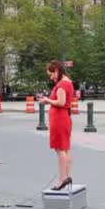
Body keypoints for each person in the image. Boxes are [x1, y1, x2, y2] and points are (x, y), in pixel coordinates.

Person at [40, 61, 75, 191]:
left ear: (56, 71)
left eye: (51, 74)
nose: (51, 78)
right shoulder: (69, 82)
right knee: (65, 148)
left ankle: (62, 179)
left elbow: (60, 102)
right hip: (64, 118)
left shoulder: (61, 85)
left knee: (60, 150)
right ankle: (67, 176)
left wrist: (47, 100)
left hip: (59, 119)